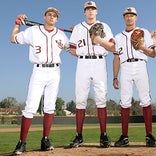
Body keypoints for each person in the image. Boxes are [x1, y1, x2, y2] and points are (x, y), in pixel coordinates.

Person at [10, 7, 69, 155]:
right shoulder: (33, 31)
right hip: (38, 70)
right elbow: (13, 39)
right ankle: (22, 143)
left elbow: (72, 49)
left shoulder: (62, 35)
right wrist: (17, 24)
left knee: (50, 107)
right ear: (44, 17)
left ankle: (45, 140)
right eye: (49, 14)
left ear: (57, 20)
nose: (52, 17)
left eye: (55, 16)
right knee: (30, 107)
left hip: (55, 71)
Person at [69, 1, 114, 148]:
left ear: (97, 11)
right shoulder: (77, 28)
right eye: (87, 9)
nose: (90, 11)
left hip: (100, 63)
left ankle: (104, 135)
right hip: (82, 63)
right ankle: (79, 136)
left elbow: (112, 47)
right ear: (84, 12)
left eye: (92, 9)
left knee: (101, 99)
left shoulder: (105, 26)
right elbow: (73, 50)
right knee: (80, 99)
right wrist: (85, 50)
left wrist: (99, 41)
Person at [113, 7, 156, 147]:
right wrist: (115, 77)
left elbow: (153, 53)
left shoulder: (143, 32)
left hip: (140, 66)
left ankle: (149, 135)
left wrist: (142, 47)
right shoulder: (118, 37)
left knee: (145, 99)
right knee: (124, 102)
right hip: (125, 67)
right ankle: (124, 136)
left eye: (132, 15)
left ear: (136, 17)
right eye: (127, 15)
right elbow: (116, 59)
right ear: (124, 18)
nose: (129, 17)